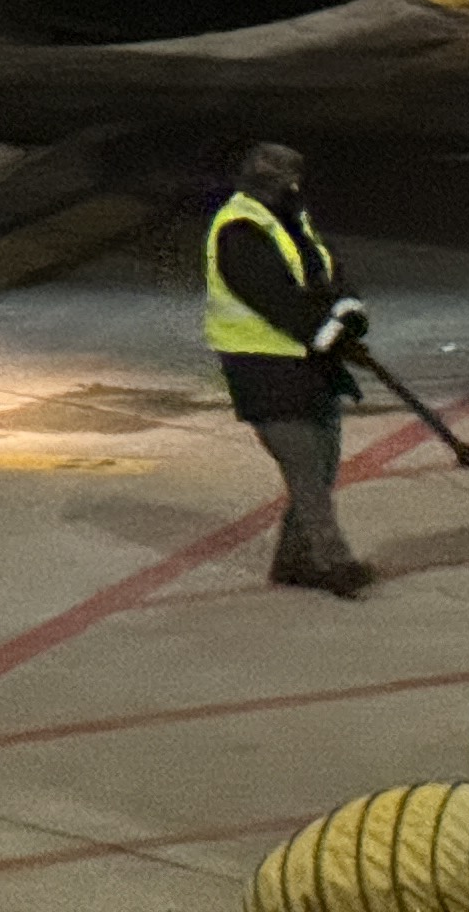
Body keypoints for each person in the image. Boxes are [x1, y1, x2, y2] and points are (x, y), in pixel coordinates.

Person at [202, 140, 373, 597]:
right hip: (262, 369)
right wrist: (325, 331)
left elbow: (325, 265)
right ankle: (331, 560)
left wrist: (347, 307)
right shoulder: (239, 229)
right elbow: (274, 298)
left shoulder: (290, 218)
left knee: (323, 462)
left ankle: (292, 559)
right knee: (306, 467)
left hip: (308, 364)